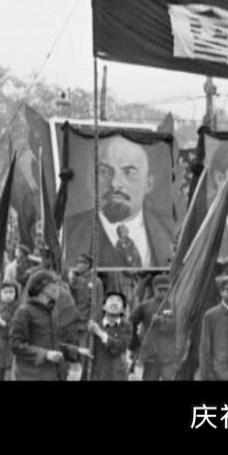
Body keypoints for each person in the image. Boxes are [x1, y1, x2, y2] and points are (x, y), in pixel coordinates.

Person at [63, 135, 175, 269]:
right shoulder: (66, 234)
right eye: (104, 171)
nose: (115, 183)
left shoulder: (173, 232)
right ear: (93, 180)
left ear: (148, 183)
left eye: (129, 172)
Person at [9, 270, 92, 381]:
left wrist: (75, 350)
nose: (59, 288)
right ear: (44, 288)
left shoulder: (53, 312)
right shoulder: (24, 312)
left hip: (54, 373)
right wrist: (44, 354)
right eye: (55, 285)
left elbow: (53, 344)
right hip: (31, 375)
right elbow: (15, 345)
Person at [129, 274, 178, 381]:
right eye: (160, 289)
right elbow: (131, 322)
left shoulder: (175, 305)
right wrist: (135, 342)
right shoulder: (144, 306)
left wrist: (162, 321)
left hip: (169, 354)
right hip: (151, 354)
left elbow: (179, 325)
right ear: (153, 289)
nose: (163, 292)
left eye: (166, 289)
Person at [88, 291, 133, 381]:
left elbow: (120, 346)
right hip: (98, 374)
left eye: (118, 301)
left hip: (118, 375)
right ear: (103, 307)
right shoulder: (95, 325)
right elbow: (89, 353)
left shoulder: (126, 326)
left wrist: (100, 333)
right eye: (111, 300)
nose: (114, 303)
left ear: (123, 310)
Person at [69, 253, 104, 355]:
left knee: (84, 348)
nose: (78, 265)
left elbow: (98, 303)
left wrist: (93, 319)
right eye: (77, 262)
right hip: (74, 320)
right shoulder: (75, 280)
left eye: (81, 262)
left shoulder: (96, 281)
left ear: (87, 265)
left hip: (87, 321)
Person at [0, 282, 20, 381]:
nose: (8, 295)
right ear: (0, 293)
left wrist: (2, 323)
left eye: (11, 292)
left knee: (8, 373)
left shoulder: (17, 308)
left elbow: (16, 326)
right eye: (5, 292)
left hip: (9, 345)